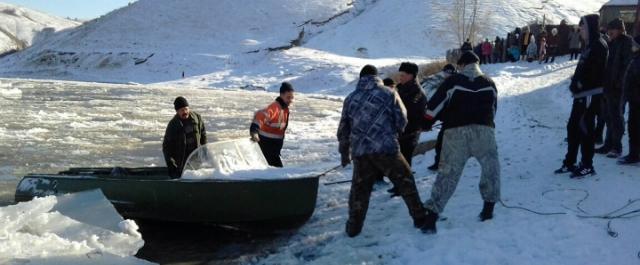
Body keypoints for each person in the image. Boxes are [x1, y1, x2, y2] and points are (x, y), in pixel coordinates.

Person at [337, 65, 427, 237]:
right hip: (386, 149)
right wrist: (395, 133)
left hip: (361, 153)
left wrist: (344, 153)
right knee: (406, 182)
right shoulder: (389, 93)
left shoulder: (350, 99)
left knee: (359, 192)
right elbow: (402, 118)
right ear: (376, 76)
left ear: (361, 78)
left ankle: (353, 229)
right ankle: (420, 218)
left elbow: (343, 130)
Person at [420, 51, 500, 234]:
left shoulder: (452, 81)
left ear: (462, 65)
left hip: (456, 133)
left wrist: (426, 123)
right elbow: (494, 110)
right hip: (484, 132)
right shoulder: (490, 83)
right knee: (491, 169)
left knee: (447, 174)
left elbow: (433, 108)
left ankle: (431, 218)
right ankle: (488, 211)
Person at [555, 14, 608, 178]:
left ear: (591, 27)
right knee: (573, 127)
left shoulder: (599, 45)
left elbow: (596, 74)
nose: (580, 31)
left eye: (582, 27)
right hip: (581, 95)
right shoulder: (589, 45)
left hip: (590, 95)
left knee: (585, 129)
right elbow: (584, 68)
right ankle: (570, 162)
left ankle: (587, 165)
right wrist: (575, 81)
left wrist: (579, 84)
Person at [595, 18, 634, 158]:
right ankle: (608, 144)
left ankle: (617, 147)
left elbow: (627, 66)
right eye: (608, 30)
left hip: (619, 88)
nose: (609, 32)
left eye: (612, 29)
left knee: (617, 117)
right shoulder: (612, 42)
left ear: (619, 29)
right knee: (607, 116)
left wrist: (619, 83)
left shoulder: (627, 42)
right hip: (608, 86)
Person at [250, 82, 294, 167]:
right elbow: (260, 116)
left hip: (274, 151)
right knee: (278, 173)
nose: (290, 100)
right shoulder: (274, 108)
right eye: (288, 97)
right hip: (265, 150)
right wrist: (254, 132)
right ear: (281, 95)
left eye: (292, 98)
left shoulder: (285, 110)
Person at [162, 97, 207, 179]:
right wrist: (172, 166)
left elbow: (203, 135)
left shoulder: (197, 118)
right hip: (182, 163)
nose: (185, 112)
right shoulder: (173, 125)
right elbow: (166, 147)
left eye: (186, 109)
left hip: (196, 159)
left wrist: (205, 151)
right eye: (182, 110)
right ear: (177, 111)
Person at [428, 64, 457, 171]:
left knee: (442, 143)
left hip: (452, 120)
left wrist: (429, 120)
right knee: (443, 143)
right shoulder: (456, 82)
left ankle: (440, 164)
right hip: (450, 119)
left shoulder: (451, 83)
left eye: (448, 72)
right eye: (445, 72)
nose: (446, 74)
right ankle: (440, 163)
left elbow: (439, 102)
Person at [619, 36, 640, 165]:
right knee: (634, 127)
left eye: (635, 44)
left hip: (637, 100)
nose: (632, 45)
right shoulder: (635, 58)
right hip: (634, 99)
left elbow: (634, 80)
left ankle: (634, 155)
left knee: (634, 127)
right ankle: (634, 153)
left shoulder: (638, 60)